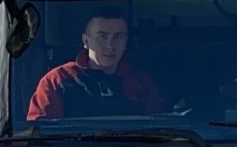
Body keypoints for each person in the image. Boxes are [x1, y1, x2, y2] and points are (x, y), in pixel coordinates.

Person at [25, 9, 165, 121]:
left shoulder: (143, 84)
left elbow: (158, 130)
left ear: (125, 43)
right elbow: (40, 133)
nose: (110, 46)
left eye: (118, 37)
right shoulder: (57, 80)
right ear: (86, 41)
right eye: (102, 36)